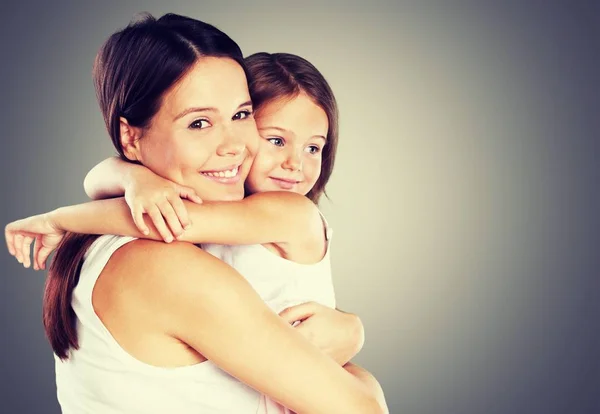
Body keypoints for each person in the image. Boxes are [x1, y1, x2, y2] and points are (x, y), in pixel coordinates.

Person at [5, 13, 387, 414]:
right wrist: (364, 381)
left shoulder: (135, 243)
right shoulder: (167, 266)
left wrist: (351, 329)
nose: (234, 146)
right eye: (200, 123)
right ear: (130, 137)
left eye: (241, 115)